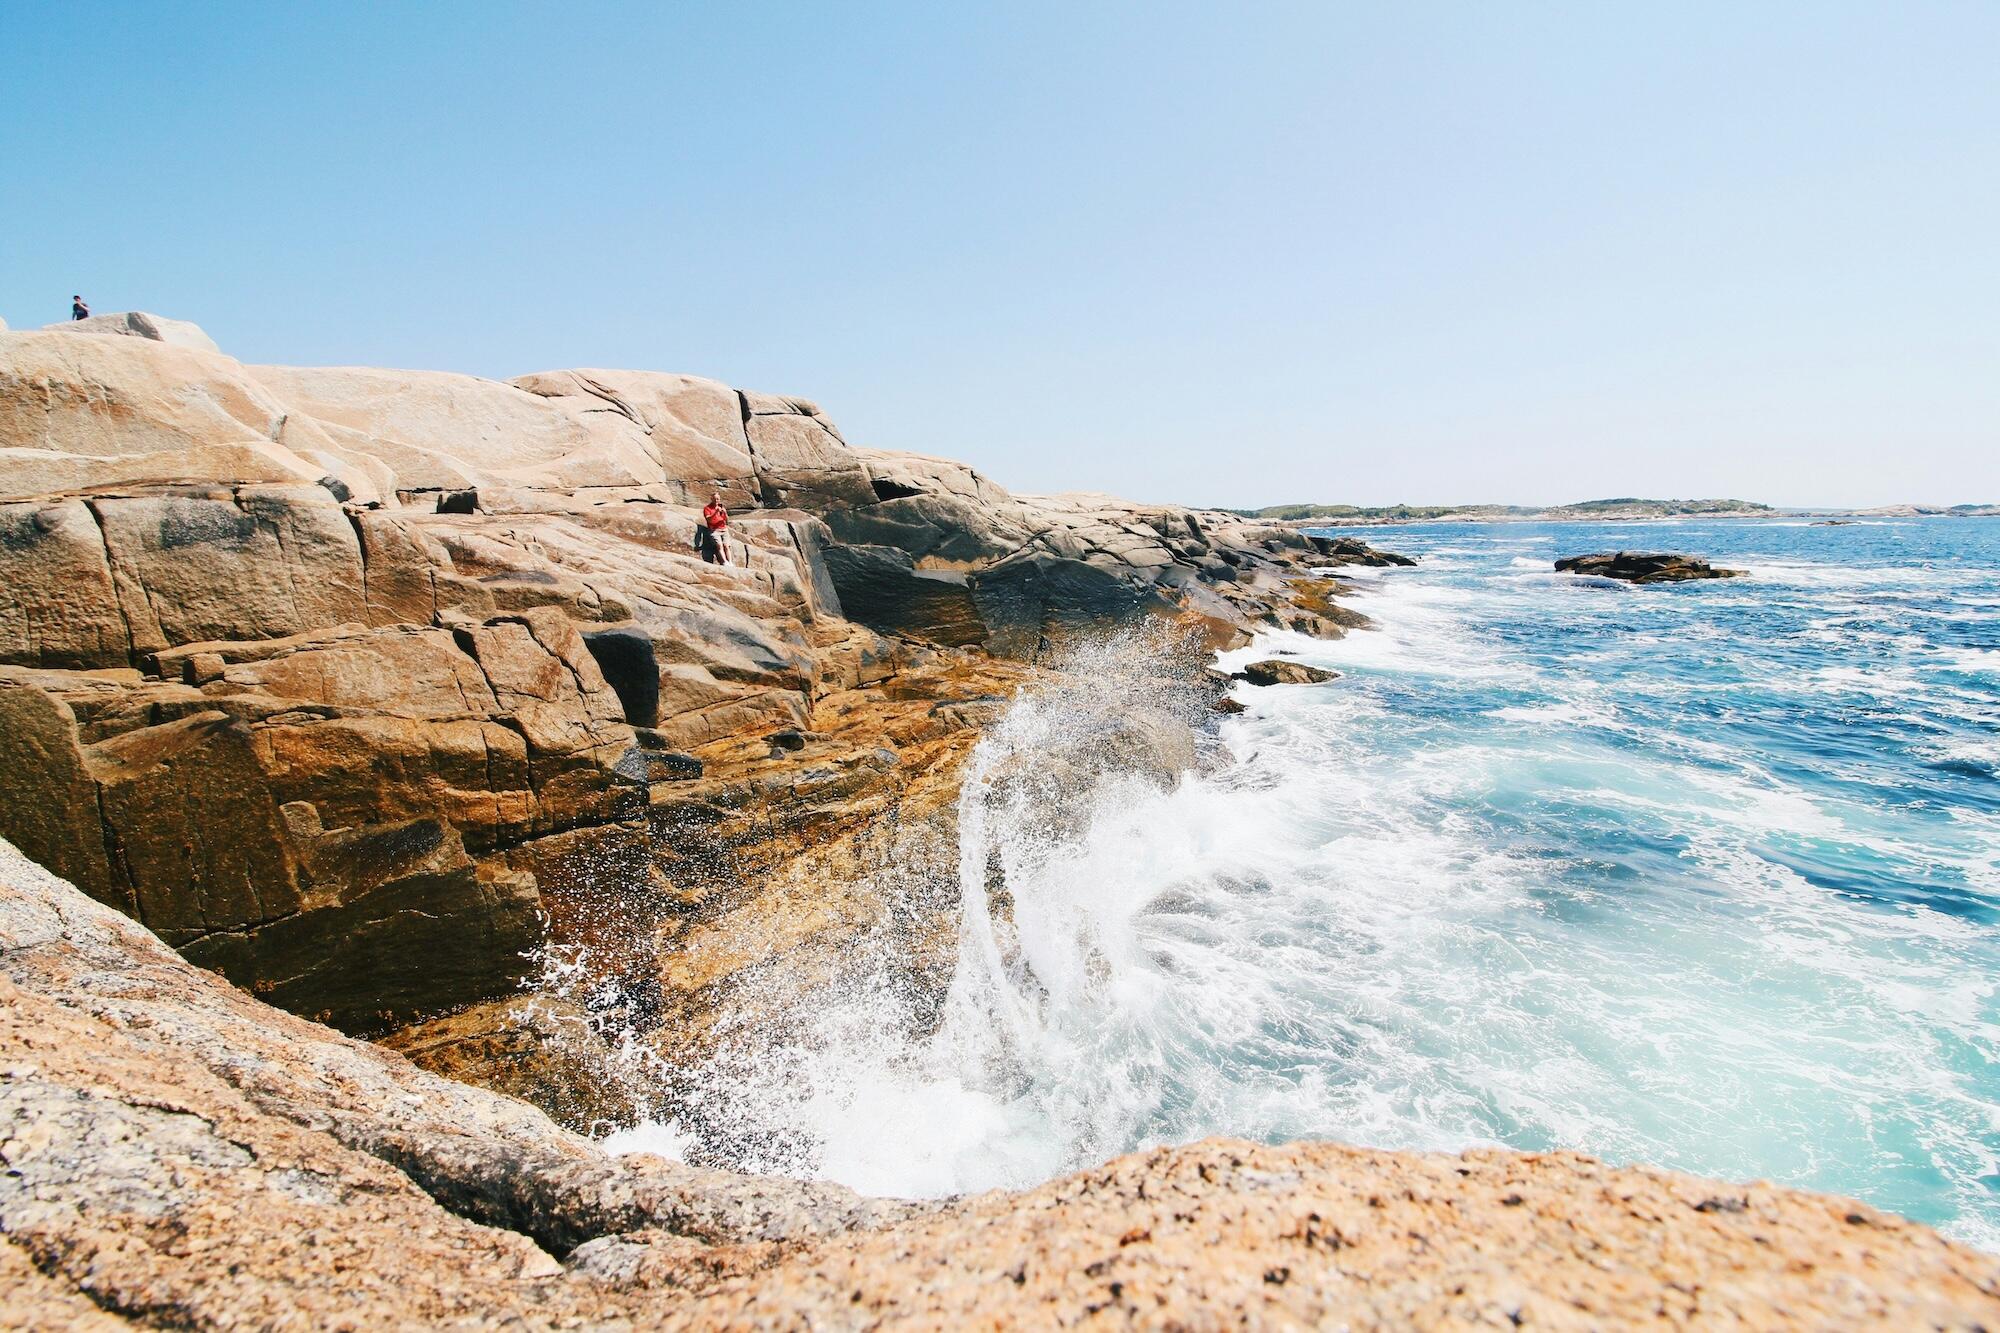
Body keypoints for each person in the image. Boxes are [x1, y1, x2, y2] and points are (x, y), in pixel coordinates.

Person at [700, 491, 731, 566]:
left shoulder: (721, 507)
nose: (716, 501)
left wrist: (725, 513)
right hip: (714, 530)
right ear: (711, 499)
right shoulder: (707, 508)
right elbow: (708, 519)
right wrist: (715, 512)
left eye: (718, 499)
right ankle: (724, 562)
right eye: (715, 499)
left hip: (723, 529)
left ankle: (730, 561)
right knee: (719, 545)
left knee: (726, 546)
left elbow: (727, 521)